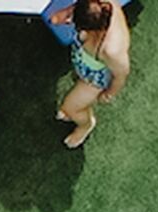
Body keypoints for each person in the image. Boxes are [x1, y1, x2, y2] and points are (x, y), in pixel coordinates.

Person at [60, 0, 128, 147]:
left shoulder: (112, 50)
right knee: (76, 94)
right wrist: (65, 12)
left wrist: (109, 94)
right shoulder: (98, 7)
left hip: (95, 78)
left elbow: (121, 74)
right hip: (84, 62)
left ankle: (86, 125)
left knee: (70, 108)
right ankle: (80, 109)